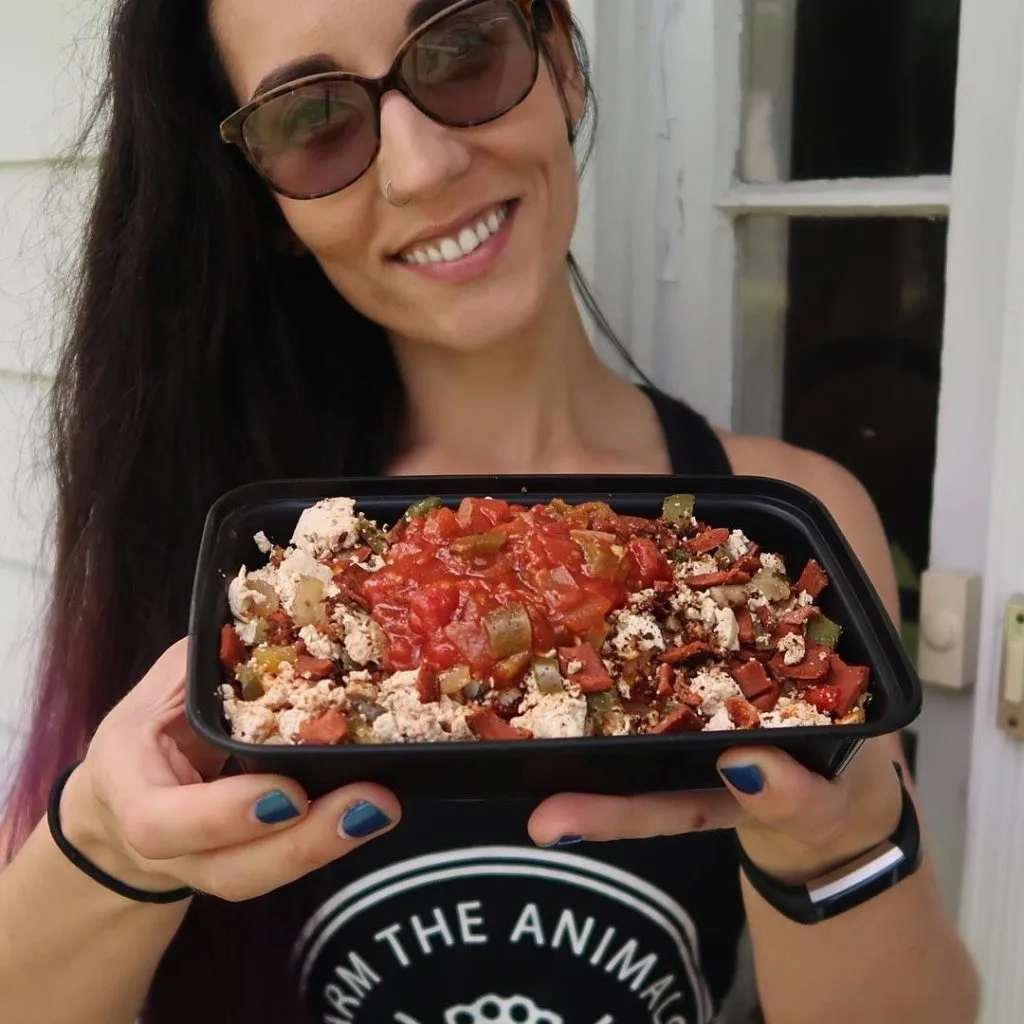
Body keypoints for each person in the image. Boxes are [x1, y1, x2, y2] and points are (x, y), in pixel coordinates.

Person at [0, 1, 979, 1022]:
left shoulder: (786, 531)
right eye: (312, 120)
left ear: (560, 59)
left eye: (461, 50)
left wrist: (841, 848)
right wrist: (105, 848)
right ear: (266, 202)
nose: (423, 166)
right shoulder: (228, 550)